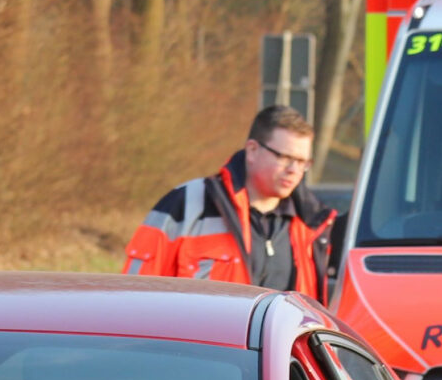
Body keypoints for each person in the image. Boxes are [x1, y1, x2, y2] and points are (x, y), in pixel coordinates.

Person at [125, 106, 341, 300]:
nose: (294, 170)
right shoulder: (188, 202)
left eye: (302, 162)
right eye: (284, 157)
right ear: (252, 150)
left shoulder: (313, 225)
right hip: (197, 344)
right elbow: (134, 293)